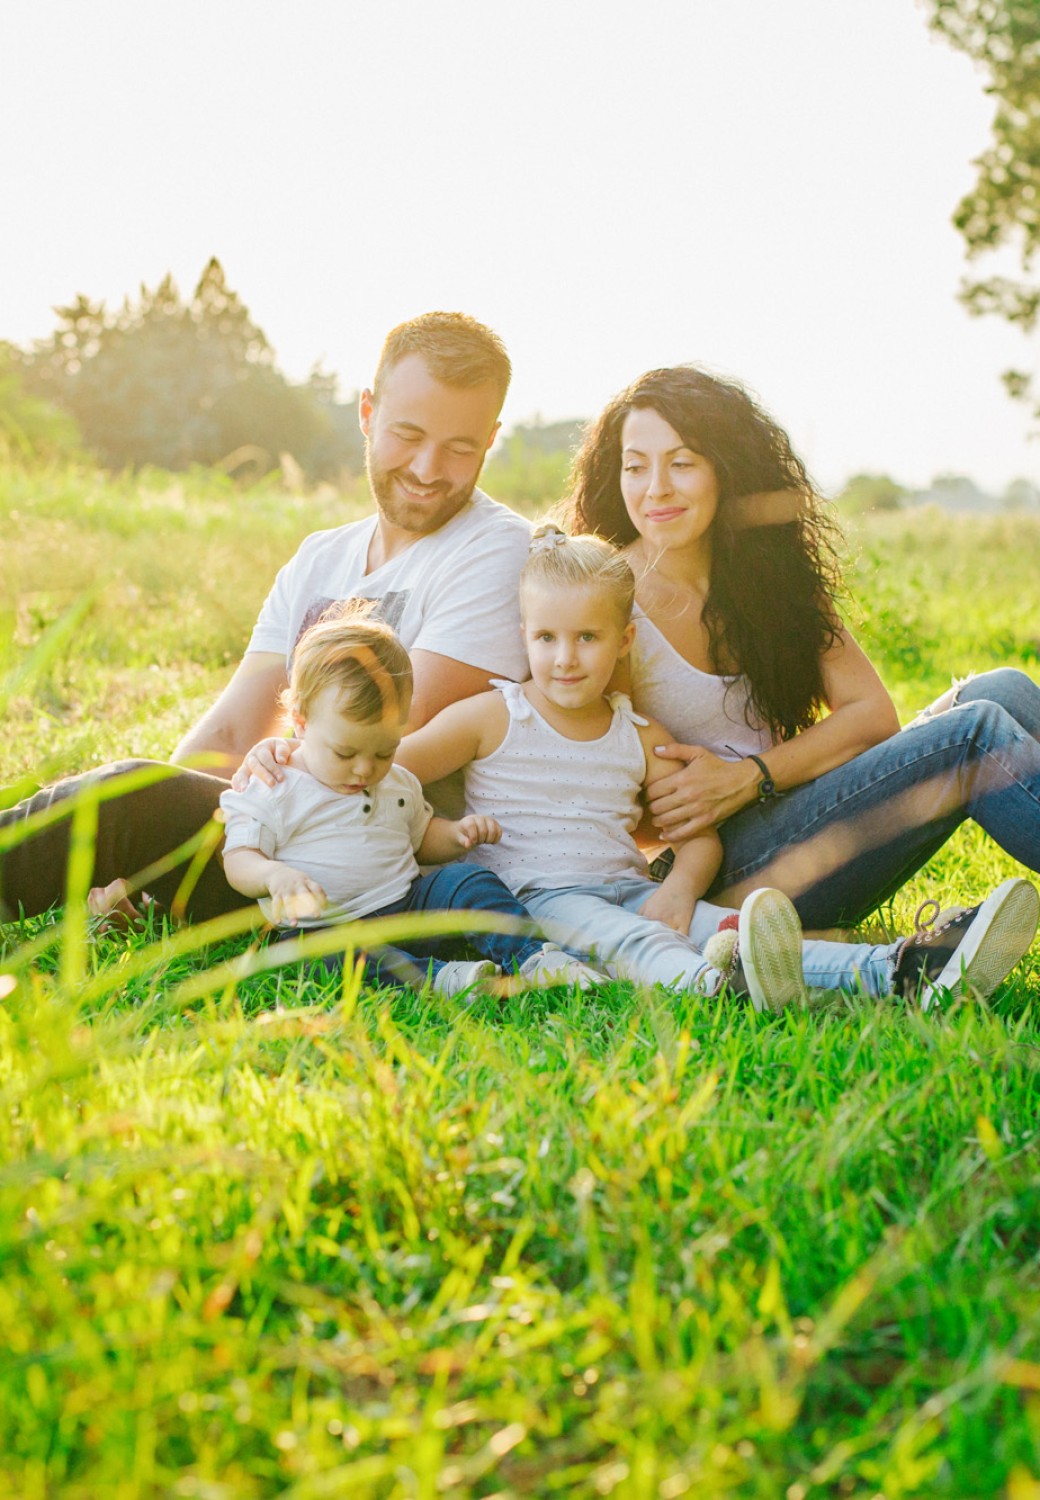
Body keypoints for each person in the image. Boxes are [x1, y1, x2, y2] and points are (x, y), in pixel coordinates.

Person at [0, 311, 532, 926]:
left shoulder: (496, 550)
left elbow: (396, 741)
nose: (427, 468)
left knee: (128, 800)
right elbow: (232, 731)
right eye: (407, 435)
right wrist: (139, 865)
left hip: (372, 869)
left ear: (491, 439)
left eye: (460, 447)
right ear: (367, 413)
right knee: (128, 799)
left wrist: (179, 820)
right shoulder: (320, 557)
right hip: (277, 849)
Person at [394, 528, 1040, 1010]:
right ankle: (735, 983)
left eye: (587, 638)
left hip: (631, 886)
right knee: (648, 948)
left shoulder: (639, 733)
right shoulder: (490, 716)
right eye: (546, 638)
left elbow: (694, 834)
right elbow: (397, 766)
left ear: (622, 642)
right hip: (541, 899)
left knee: (730, 928)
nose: (565, 658)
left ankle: (905, 967)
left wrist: (679, 891)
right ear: (525, 633)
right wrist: (301, 762)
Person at [563, 366, 1040, 931]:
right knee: (973, 734)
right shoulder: (609, 596)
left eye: (682, 462)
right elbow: (614, 805)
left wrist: (749, 777)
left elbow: (871, 714)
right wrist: (695, 800)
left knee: (1001, 688)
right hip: (710, 871)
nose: (656, 488)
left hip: (801, 821)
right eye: (635, 467)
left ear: (726, 470)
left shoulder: (773, 580)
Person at [219, 603, 605, 993]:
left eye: (384, 751)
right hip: (328, 926)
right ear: (300, 723)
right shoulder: (274, 783)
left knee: (466, 879)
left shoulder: (397, 782)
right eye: (345, 753)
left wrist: (456, 835)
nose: (365, 770)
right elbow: (238, 860)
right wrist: (273, 875)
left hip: (408, 907)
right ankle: (440, 979)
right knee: (320, 954)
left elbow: (419, 839)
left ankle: (537, 957)